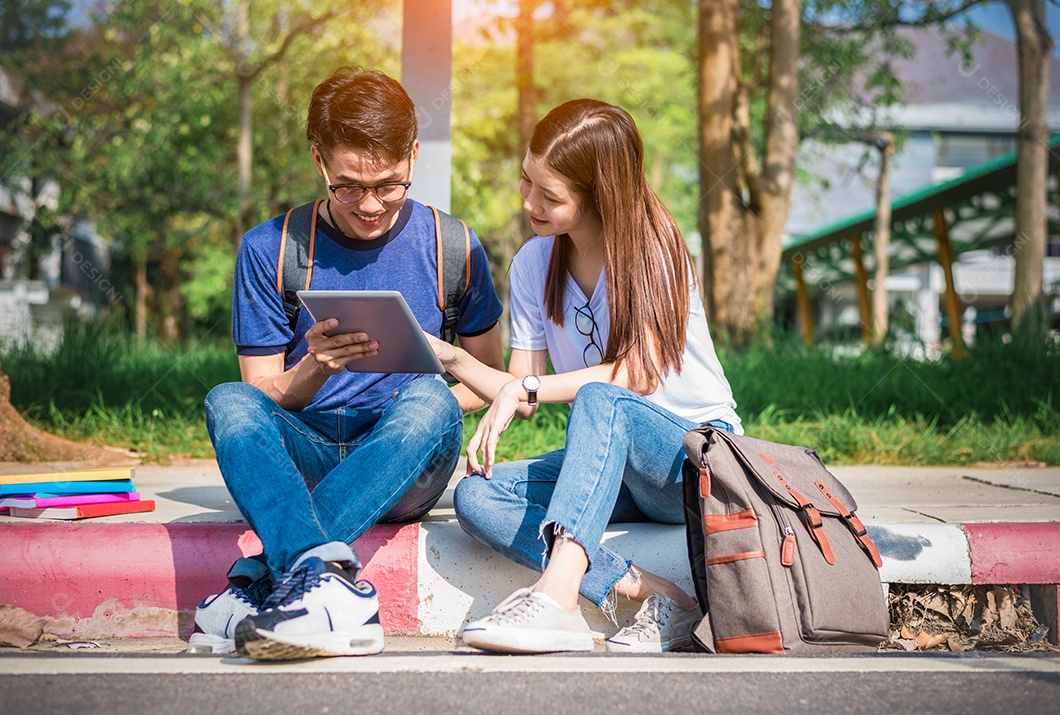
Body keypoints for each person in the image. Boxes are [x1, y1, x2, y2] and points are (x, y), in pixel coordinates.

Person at [190, 68, 504, 660]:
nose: (369, 205)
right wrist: (316, 367)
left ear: (413, 156)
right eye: (348, 186)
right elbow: (261, 394)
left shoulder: (453, 247)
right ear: (318, 160)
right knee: (225, 400)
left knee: (429, 398)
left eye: (389, 186)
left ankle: (261, 581)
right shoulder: (272, 248)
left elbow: (487, 379)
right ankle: (318, 584)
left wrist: (404, 415)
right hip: (305, 451)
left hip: (404, 460)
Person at [427, 98, 742, 654]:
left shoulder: (655, 246)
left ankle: (557, 599)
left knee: (602, 397)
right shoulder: (532, 263)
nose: (529, 202)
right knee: (479, 495)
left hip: (693, 464)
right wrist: (448, 362)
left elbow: (638, 374)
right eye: (526, 182)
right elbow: (522, 389)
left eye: (550, 196)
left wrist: (524, 388)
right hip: (614, 471)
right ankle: (648, 592)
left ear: (599, 195)